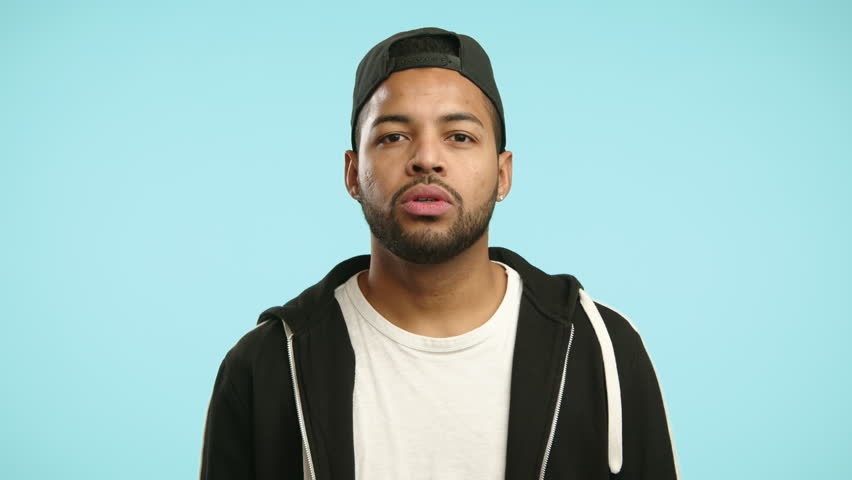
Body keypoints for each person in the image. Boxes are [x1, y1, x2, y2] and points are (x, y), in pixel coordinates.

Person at [200, 27, 679, 480]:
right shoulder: (264, 365)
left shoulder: (603, 350)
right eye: (393, 136)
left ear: (503, 174)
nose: (427, 158)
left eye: (459, 136)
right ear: (352, 173)